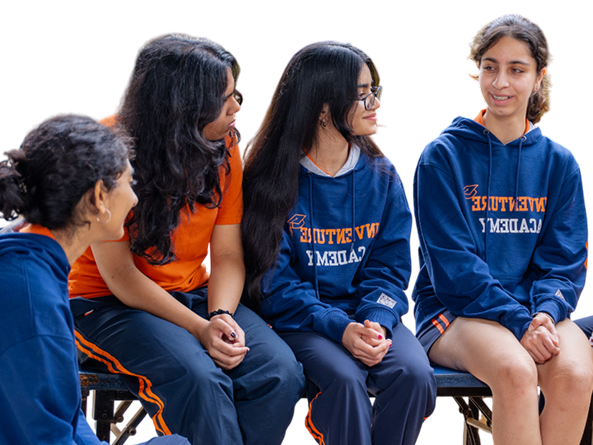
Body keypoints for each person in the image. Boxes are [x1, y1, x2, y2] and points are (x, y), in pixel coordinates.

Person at [67, 32, 305, 445]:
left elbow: (227, 254)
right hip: (105, 303)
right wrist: (199, 328)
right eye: (224, 98)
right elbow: (119, 276)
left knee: (279, 373)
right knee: (200, 380)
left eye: (235, 93)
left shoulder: (224, 145)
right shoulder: (104, 150)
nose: (236, 107)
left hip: (195, 293)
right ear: (182, 106)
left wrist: (221, 315)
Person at [241, 40, 436, 445]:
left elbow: (391, 267)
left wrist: (376, 320)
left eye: (374, 91)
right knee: (344, 380)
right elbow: (273, 284)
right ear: (323, 108)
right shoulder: (269, 179)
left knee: (415, 374)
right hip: (301, 322)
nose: (375, 103)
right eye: (362, 94)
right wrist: (340, 327)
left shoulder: (382, 175)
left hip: (366, 315)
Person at [412, 13, 592, 445]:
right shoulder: (442, 156)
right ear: (476, 70)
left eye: (516, 69)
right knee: (515, 370)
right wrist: (519, 322)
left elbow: (564, 260)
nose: (500, 83)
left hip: (534, 309)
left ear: (539, 76)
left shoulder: (559, 162)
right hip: (454, 311)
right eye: (489, 67)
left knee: (574, 372)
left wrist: (545, 313)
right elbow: (454, 268)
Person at [0, 113, 189, 445]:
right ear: (99, 197)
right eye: (129, 182)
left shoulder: (30, 255)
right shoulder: (30, 298)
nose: (134, 198)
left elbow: (63, 415)